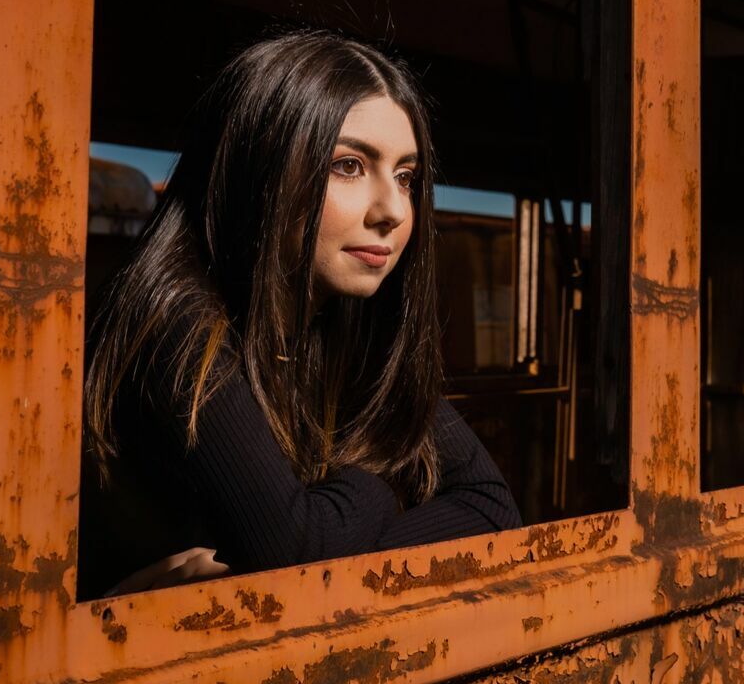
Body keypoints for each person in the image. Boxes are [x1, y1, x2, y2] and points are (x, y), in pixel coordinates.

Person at [79, 29, 520, 597]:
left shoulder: (343, 324)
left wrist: (329, 530)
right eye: (349, 165)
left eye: (406, 176)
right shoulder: (177, 323)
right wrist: (387, 483)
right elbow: (298, 552)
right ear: (258, 170)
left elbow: (491, 507)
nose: (392, 210)